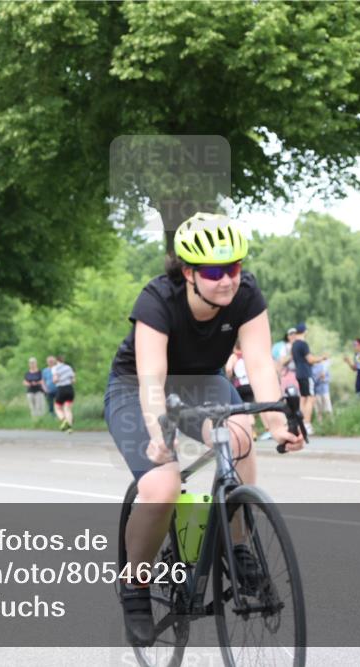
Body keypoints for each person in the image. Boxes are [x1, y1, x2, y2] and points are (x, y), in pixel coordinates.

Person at [103, 212, 303, 645]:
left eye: (234, 267)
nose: (227, 280)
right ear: (189, 272)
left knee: (241, 439)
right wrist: (159, 438)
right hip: (136, 386)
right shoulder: (157, 300)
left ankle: (239, 545)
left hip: (203, 379)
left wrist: (276, 424)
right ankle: (134, 585)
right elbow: (153, 381)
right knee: (162, 486)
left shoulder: (246, 295)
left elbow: (259, 365)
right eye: (214, 271)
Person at [289, 323, 328, 436]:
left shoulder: (294, 345)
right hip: (306, 373)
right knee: (311, 398)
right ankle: (307, 423)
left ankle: (300, 423)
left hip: (299, 373)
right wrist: (322, 358)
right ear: (305, 332)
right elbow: (310, 359)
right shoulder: (303, 344)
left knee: (303, 398)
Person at [52, 356, 76, 433]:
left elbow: (55, 379)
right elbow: (73, 381)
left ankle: (64, 420)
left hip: (61, 389)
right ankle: (69, 428)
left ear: (57, 361)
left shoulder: (55, 368)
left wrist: (56, 380)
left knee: (57, 407)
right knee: (68, 409)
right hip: (70, 389)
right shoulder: (69, 367)